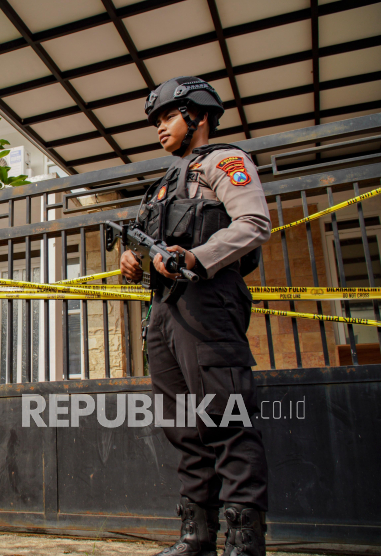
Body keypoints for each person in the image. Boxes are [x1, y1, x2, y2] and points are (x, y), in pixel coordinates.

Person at [120, 77, 270, 556]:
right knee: (183, 425)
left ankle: (244, 542)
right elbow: (145, 247)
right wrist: (131, 260)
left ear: (198, 117)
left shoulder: (225, 162)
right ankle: (197, 535)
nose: (159, 129)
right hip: (164, 309)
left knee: (226, 418)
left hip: (207, 300)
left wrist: (195, 257)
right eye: (158, 121)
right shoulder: (164, 183)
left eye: (167, 117)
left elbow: (253, 224)